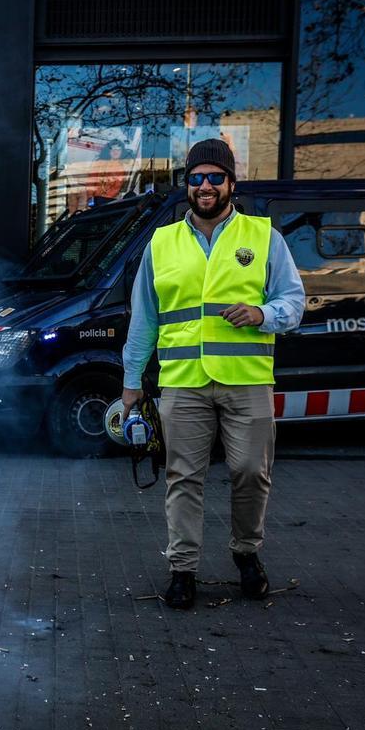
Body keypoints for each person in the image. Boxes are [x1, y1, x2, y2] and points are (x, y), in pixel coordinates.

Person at [120, 138, 305, 609]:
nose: (205, 186)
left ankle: (246, 553)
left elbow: (295, 302)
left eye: (214, 177)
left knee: (250, 472)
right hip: (182, 383)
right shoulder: (162, 243)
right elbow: (144, 318)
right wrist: (131, 380)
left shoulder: (264, 238)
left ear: (231, 184)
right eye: (196, 178)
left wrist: (263, 314)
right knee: (183, 477)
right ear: (187, 185)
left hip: (246, 380)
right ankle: (183, 570)